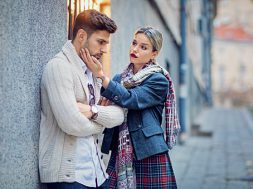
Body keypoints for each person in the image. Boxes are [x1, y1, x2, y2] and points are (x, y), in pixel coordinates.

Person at [80, 26, 180, 188]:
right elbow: (105, 104)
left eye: (143, 47)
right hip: (121, 150)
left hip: (148, 151)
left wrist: (101, 76)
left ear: (154, 54)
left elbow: (131, 99)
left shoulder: (159, 80)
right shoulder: (119, 79)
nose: (135, 49)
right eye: (134, 43)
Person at [39, 9, 124, 189]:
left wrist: (91, 111)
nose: (104, 50)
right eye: (100, 42)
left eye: (106, 43)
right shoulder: (59, 67)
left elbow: (119, 114)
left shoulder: (92, 71)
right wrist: (102, 120)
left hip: (96, 173)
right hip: (68, 177)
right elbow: (71, 123)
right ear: (81, 36)